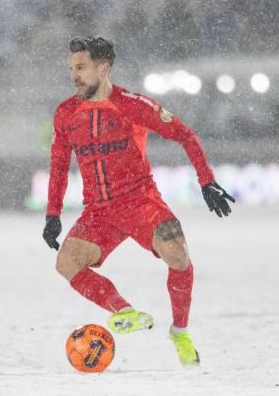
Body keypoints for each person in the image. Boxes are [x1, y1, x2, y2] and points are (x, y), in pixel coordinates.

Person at [42, 37, 234, 366]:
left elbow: (185, 134)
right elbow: (59, 165)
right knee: (66, 263)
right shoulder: (65, 113)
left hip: (139, 201)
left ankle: (180, 332)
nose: (74, 75)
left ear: (103, 69)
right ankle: (124, 311)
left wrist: (207, 181)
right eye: (71, 68)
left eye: (81, 68)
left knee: (178, 254)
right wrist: (52, 215)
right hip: (99, 211)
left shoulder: (132, 105)